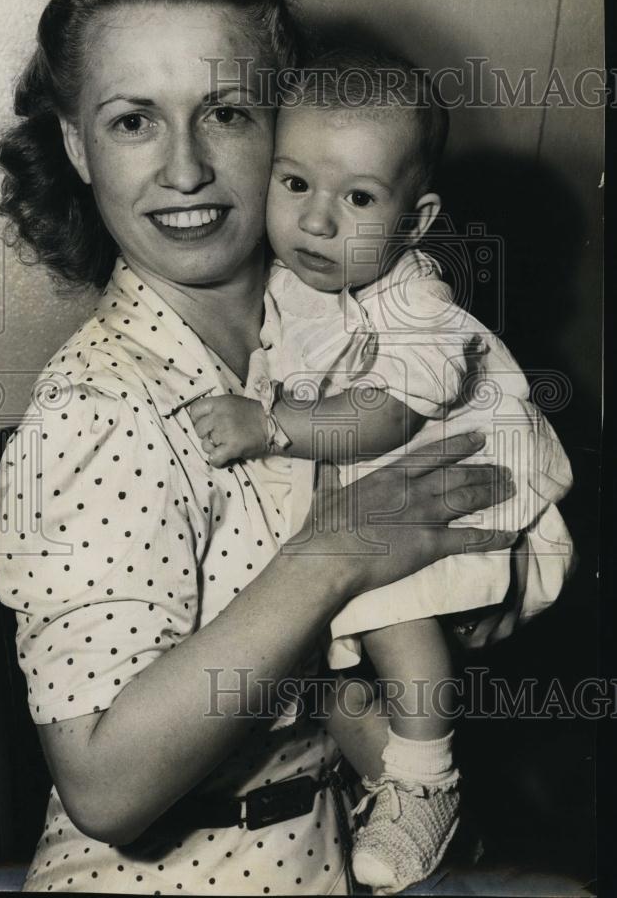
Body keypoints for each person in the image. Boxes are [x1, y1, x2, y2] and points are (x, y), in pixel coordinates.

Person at [0, 0, 519, 894]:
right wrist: (342, 549)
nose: (184, 167)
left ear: (287, 120)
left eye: (225, 111)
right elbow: (102, 782)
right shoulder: (96, 409)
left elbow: (322, 671)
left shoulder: (318, 346)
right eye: (132, 120)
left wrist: (459, 577)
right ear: (75, 145)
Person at [190, 50, 574, 893]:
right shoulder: (290, 284)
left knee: (395, 621)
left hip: (463, 480)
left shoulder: (415, 304)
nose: (318, 221)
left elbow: (386, 418)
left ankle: (426, 780)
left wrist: (270, 426)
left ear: (416, 216)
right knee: (330, 659)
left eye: (358, 198)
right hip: (373, 501)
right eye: (294, 184)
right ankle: (402, 790)